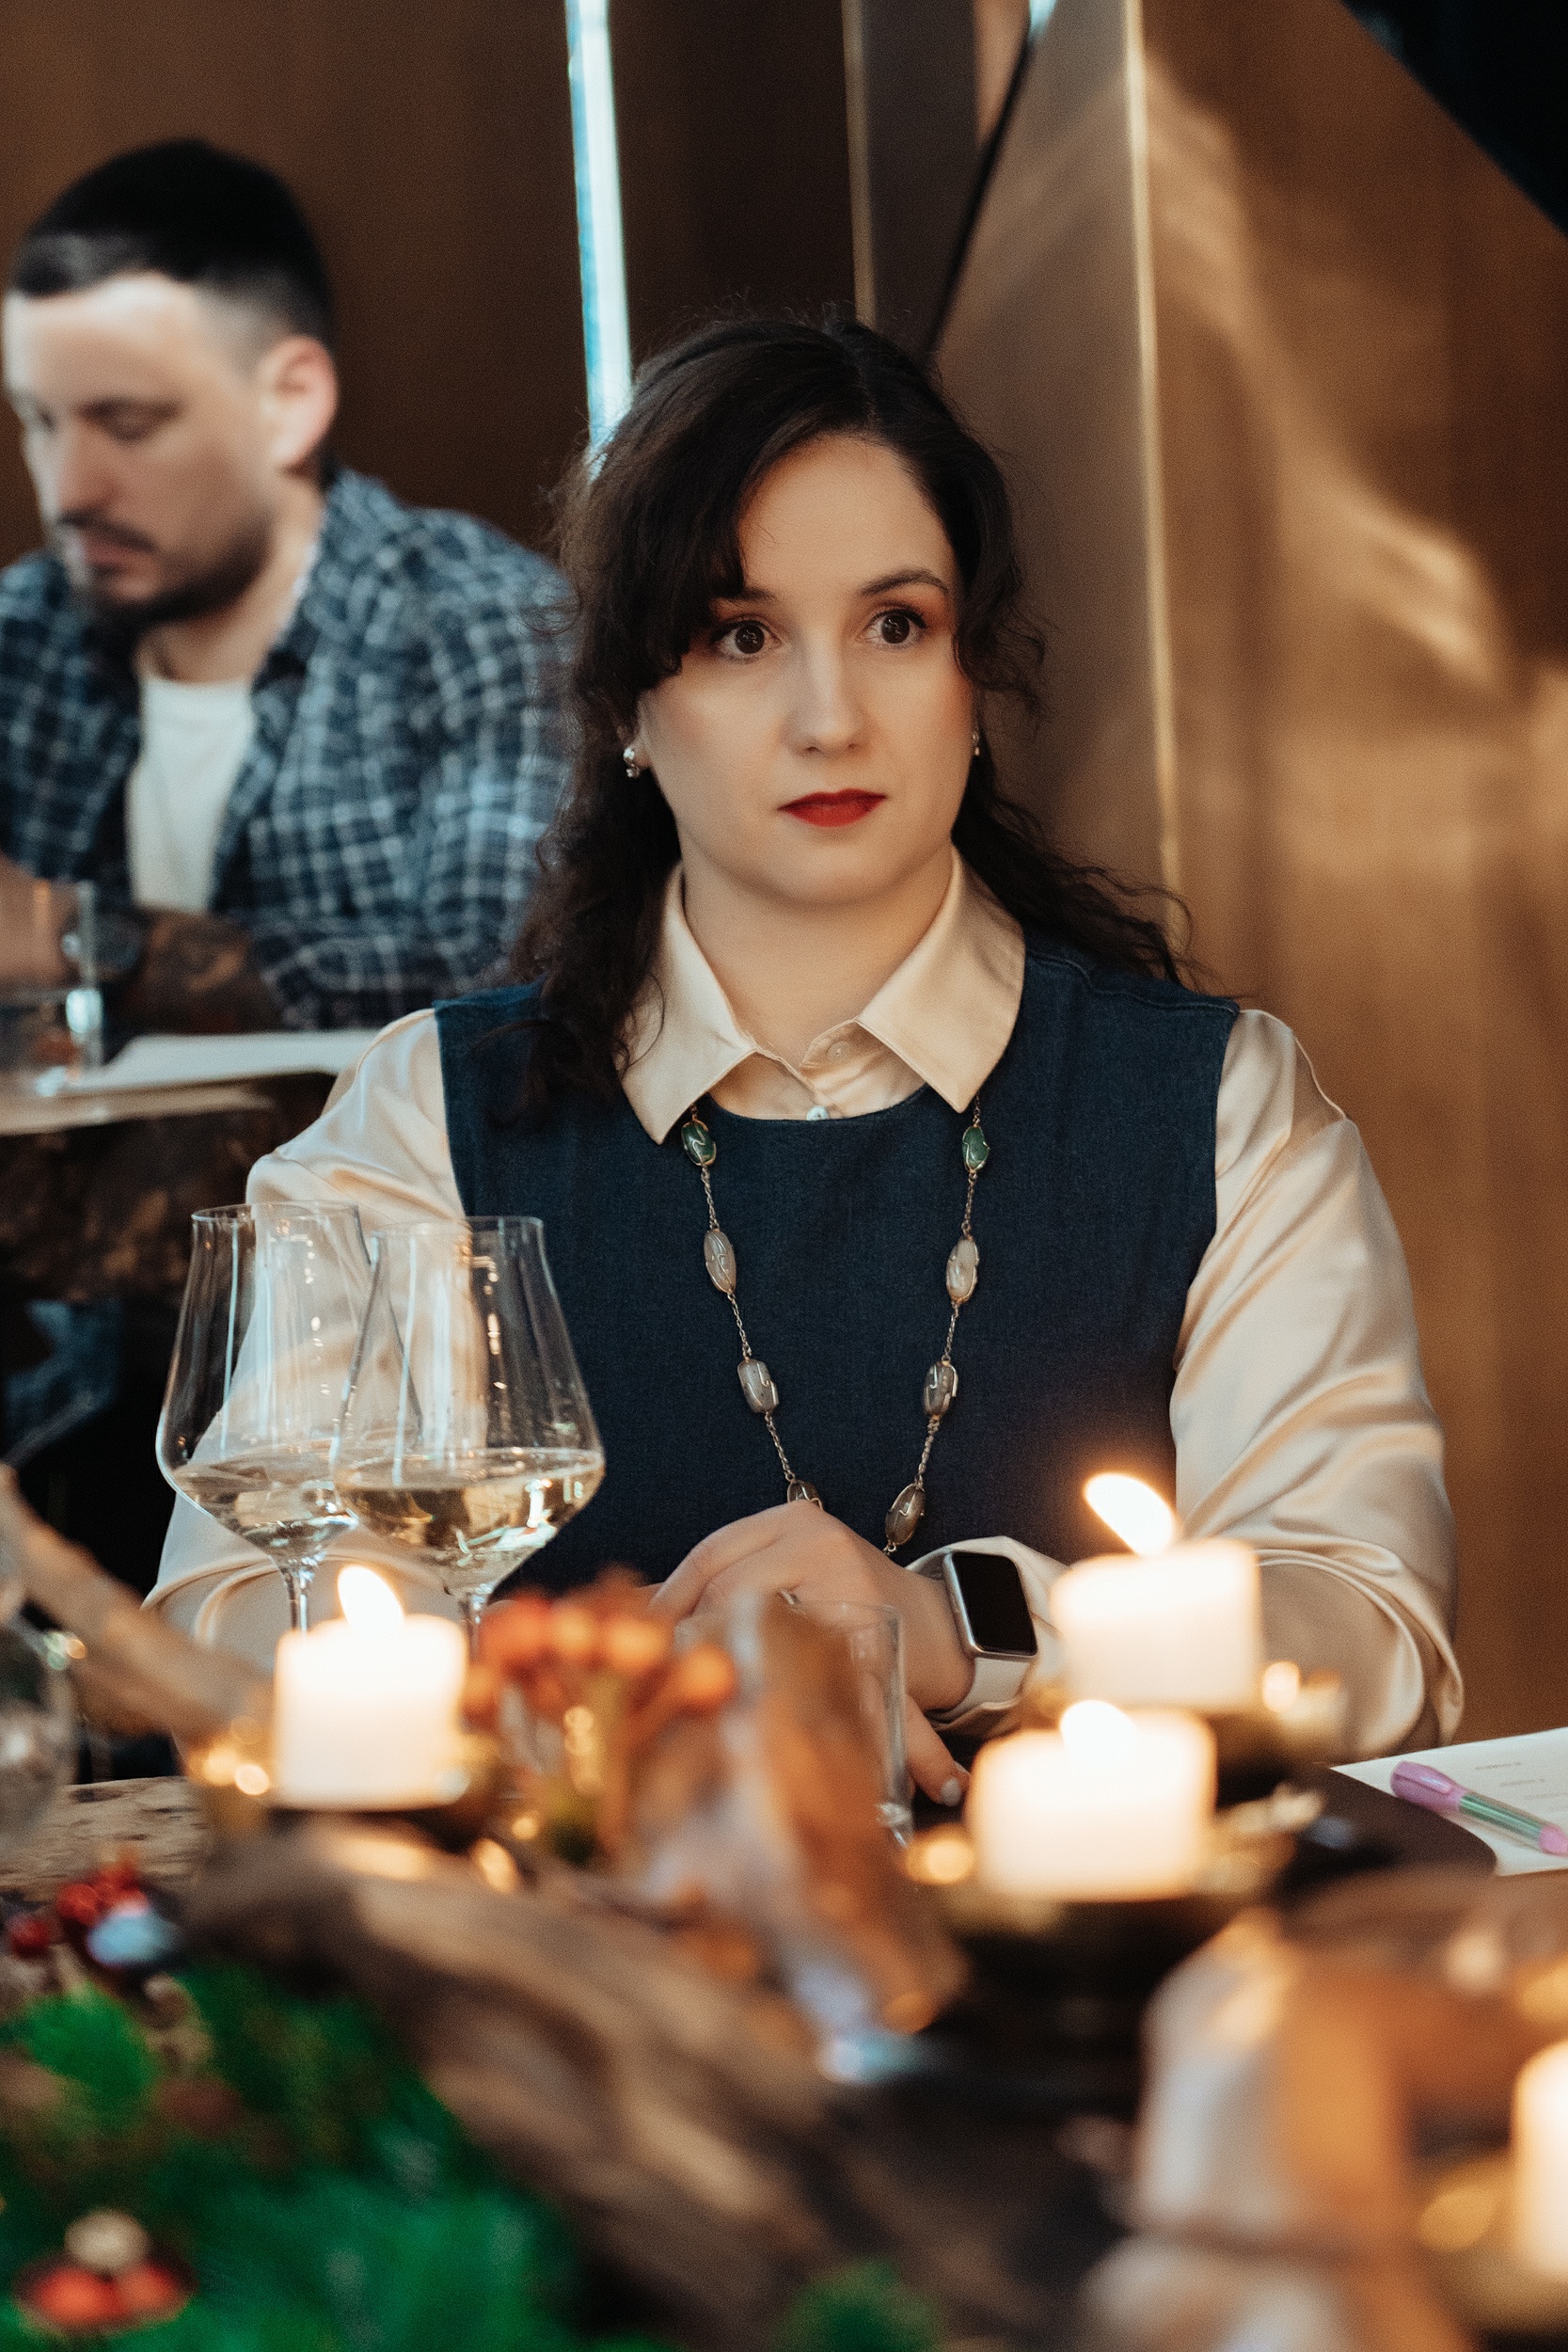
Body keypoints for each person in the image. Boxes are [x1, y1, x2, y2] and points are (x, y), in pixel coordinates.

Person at [151, 317, 1461, 1796]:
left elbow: (1371, 1627)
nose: (829, 718)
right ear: (628, 707)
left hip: (1099, 1934)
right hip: (570, 1926)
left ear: (974, 678)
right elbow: (234, 1612)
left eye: (894, 626)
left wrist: (960, 1632)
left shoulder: (1216, 1105)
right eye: (740, 635)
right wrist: (611, 1692)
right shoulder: (429, 1116)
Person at [0, 138, 569, 1029]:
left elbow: (504, 983)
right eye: (39, 421)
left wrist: (64, 936)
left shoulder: (482, 627)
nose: (69, 490)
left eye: (129, 424)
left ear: (291, 402)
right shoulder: (20, 636)